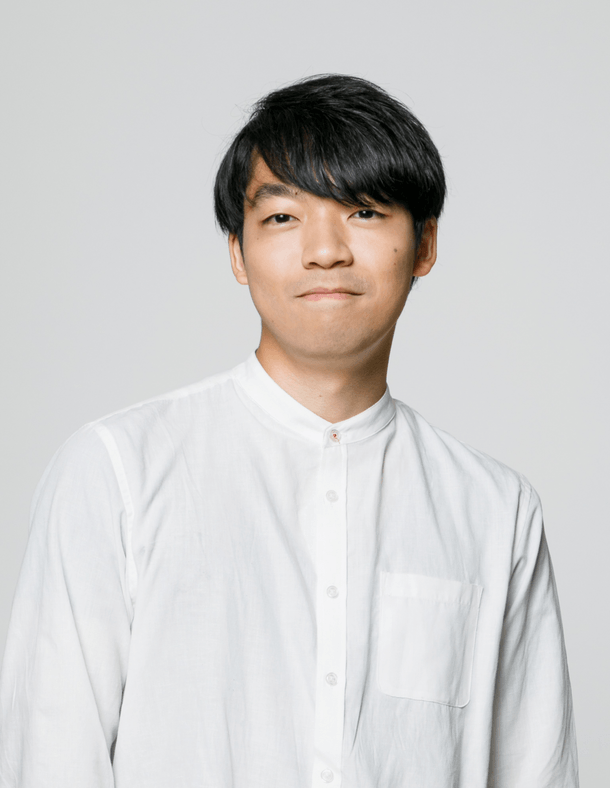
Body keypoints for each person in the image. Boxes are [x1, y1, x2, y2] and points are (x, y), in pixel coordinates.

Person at [0, 74, 578, 787]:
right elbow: (51, 757)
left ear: (425, 244)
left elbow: (536, 770)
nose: (325, 251)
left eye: (364, 211)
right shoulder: (117, 472)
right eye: (282, 217)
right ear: (237, 253)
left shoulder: (494, 509)